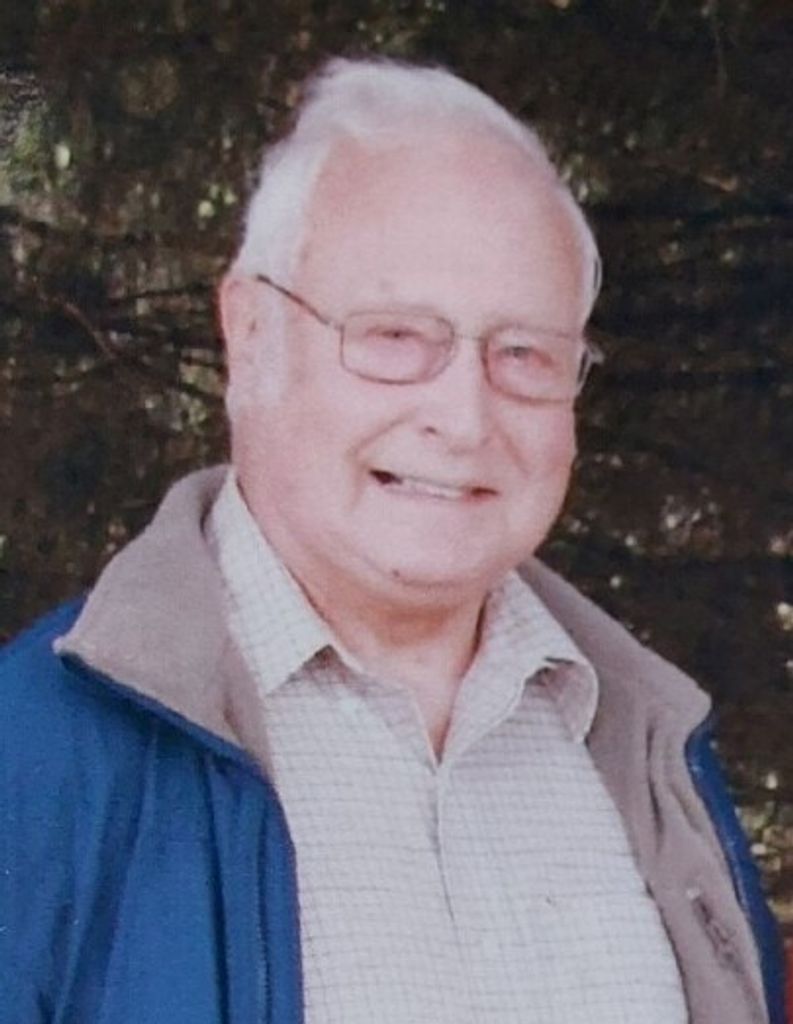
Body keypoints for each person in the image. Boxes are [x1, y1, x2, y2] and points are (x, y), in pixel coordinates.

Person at [0, 57, 784, 1024]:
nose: (463, 417)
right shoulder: (32, 756)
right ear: (250, 330)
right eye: (394, 336)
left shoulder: (652, 751)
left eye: (524, 353)